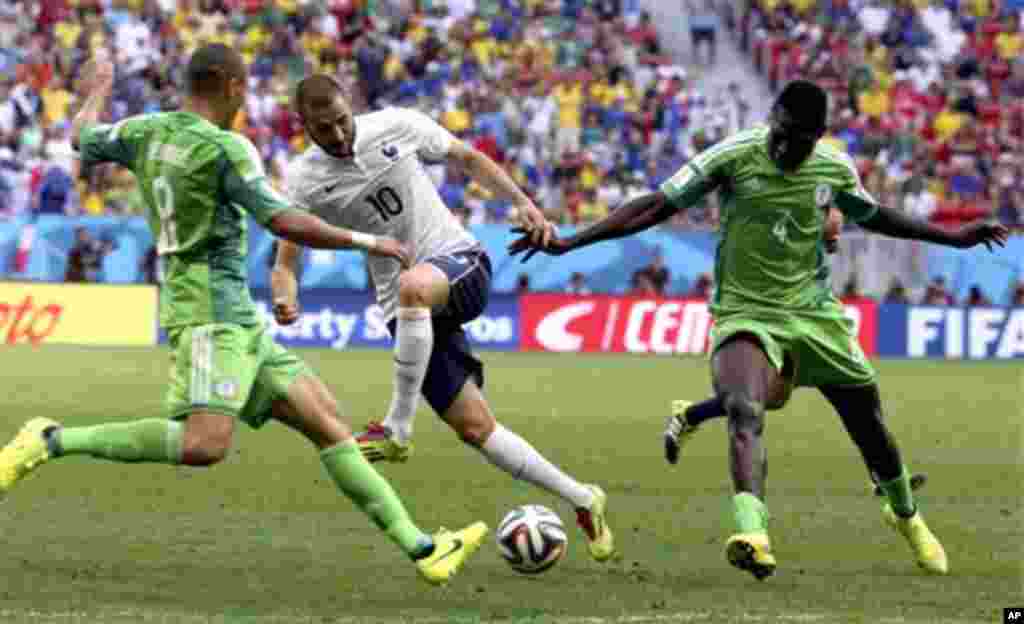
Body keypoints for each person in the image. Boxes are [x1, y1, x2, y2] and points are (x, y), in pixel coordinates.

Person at [0, 45, 487, 586]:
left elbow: (82, 139)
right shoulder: (225, 148)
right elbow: (282, 220)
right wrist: (368, 239)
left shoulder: (145, 131)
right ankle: (50, 440)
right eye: (245, 86)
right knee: (204, 444)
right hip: (208, 311)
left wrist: (95, 90)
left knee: (328, 422)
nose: (247, 97)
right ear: (230, 86)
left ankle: (423, 549)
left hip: (235, 313)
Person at [510, 80, 1008, 580]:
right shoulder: (735, 155)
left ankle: (906, 516)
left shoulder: (833, 168)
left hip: (814, 313)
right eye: (786, 135)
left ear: (819, 138)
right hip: (745, 311)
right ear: (773, 118)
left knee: (869, 427)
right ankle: (753, 532)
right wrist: (572, 243)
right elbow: (656, 204)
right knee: (744, 409)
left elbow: (877, 216)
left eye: (804, 141)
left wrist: (952, 239)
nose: (791, 148)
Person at [272, 74, 615, 562]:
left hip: (458, 261)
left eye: (344, 121)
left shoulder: (395, 125)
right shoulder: (305, 180)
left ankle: (398, 429)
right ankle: (584, 498)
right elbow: (286, 261)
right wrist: (286, 297)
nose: (341, 136)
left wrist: (522, 204)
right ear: (304, 126)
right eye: (326, 129)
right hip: (405, 310)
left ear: (352, 107)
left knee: (413, 285)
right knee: (476, 429)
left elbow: (467, 158)